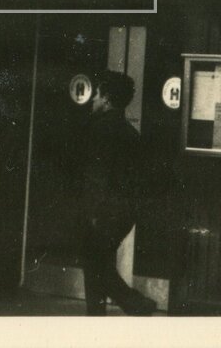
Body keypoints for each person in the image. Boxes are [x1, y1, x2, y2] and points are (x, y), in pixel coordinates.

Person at [78, 70, 157, 316]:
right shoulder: (130, 133)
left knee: (95, 265)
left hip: (103, 211)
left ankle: (135, 304)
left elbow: (98, 175)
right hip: (124, 213)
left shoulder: (100, 129)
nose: (93, 99)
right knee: (99, 263)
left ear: (107, 99)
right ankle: (110, 312)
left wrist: (93, 212)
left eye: (97, 94)